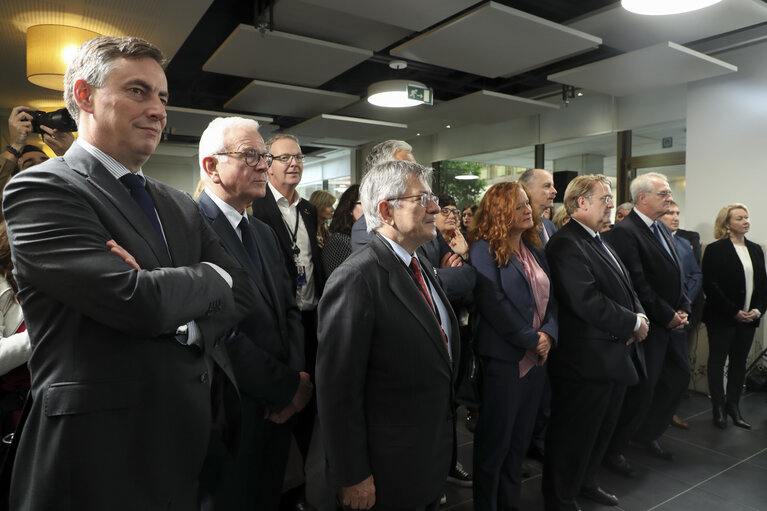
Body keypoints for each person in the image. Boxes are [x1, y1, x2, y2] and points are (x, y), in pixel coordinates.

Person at [2, 36, 256, 510]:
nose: (159, 110)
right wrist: (204, 278)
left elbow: (241, 288)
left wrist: (177, 309)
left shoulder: (180, 203)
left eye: (162, 97)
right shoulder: (40, 188)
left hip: (184, 446)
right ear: (84, 96)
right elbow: (138, 302)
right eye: (138, 91)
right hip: (93, 456)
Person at [316, 160, 459, 511]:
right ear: (386, 211)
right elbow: (338, 391)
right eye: (422, 198)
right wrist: (352, 473)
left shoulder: (419, 263)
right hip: (385, 469)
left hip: (425, 455)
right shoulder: (356, 278)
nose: (435, 207)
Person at [196, 117, 313, 510]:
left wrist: (296, 381)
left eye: (264, 155)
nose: (264, 165)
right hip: (231, 412)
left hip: (279, 408)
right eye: (251, 156)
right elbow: (217, 331)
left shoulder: (262, 230)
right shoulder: (191, 227)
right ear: (212, 166)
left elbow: (289, 309)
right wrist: (285, 388)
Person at [543, 175, 647, 511]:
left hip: (612, 353)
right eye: (604, 198)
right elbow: (586, 300)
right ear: (580, 203)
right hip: (584, 360)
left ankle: (586, 483)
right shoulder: (565, 243)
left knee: (599, 432)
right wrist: (632, 321)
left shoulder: (600, 239)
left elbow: (627, 289)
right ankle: (560, 497)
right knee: (574, 435)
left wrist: (640, 316)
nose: (610, 204)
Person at [468, 181, 557, 511]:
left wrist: (549, 334)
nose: (528, 210)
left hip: (537, 360)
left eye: (527, 205)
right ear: (500, 211)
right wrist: (532, 339)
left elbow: (552, 300)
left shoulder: (534, 248)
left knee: (518, 445)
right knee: (495, 445)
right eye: (519, 205)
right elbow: (494, 302)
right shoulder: (482, 248)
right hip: (505, 360)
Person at [250, 133, 324, 511]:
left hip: (311, 320)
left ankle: (303, 488)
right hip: (278, 324)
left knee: (310, 405)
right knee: (281, 405)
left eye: (298, 156)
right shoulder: (257, 207)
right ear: (268, 163)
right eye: (284, 158)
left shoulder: (309, 210)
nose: (293, 163)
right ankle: (281, 489)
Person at [604, 172, 689, 476]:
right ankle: (616, 449)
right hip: (649, 326)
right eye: (663, 193)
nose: (669, 197)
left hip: (671, 321)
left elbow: (675, 273)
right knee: (642, 391)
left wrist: (684, 307)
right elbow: (638, 284)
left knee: (677, 379)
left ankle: (647, 434)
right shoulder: (626, 232)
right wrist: (667, 315)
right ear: (643, 198)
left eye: (668, 193)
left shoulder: (660, 228)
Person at [702, 203, 766, 430]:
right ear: (727, 224)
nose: (745, 221)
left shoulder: (757, 249)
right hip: (722, 317)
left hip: (749, 317)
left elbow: (762, 286)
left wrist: (757, 310)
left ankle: (733, 406)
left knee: (739, 363)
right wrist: (734, 311)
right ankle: (718, 408)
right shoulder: (715, 249)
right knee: (718, 362)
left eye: (747, 217)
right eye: (739, 218)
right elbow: (711, 285)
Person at [660, 201, 703, 430]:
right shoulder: (653, 242)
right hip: (660, 315)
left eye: (677, 213)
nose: (675, 217)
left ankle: (669, 413)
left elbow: (695, 275)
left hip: (682, 315)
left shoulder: (685, 244)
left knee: (679, 372)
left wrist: (684, 307)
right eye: (670, 213)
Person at [350, 140, 416, 252]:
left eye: (415, 167)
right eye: (407, 168)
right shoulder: (366, 228)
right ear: (382, 174)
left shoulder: (425, 214)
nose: (417, 173)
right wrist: (434, 270)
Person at [321, 184, 363, 276]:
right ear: (350, 208)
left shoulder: (364, 236)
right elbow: (343, 284)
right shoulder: (339, 241)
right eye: (363, 203)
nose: (370, 208)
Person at [518, 168, 558, 245]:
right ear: (526, 189)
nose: (554, 191)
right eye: (547, 186)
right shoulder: (518, 229)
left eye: (553, 186)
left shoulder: (551, 226)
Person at [435, 194, 469, 260]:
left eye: (454, 212)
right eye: (445, 211)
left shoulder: (464, 242)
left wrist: (464, 255)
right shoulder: (424, 246)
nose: (452, 216)